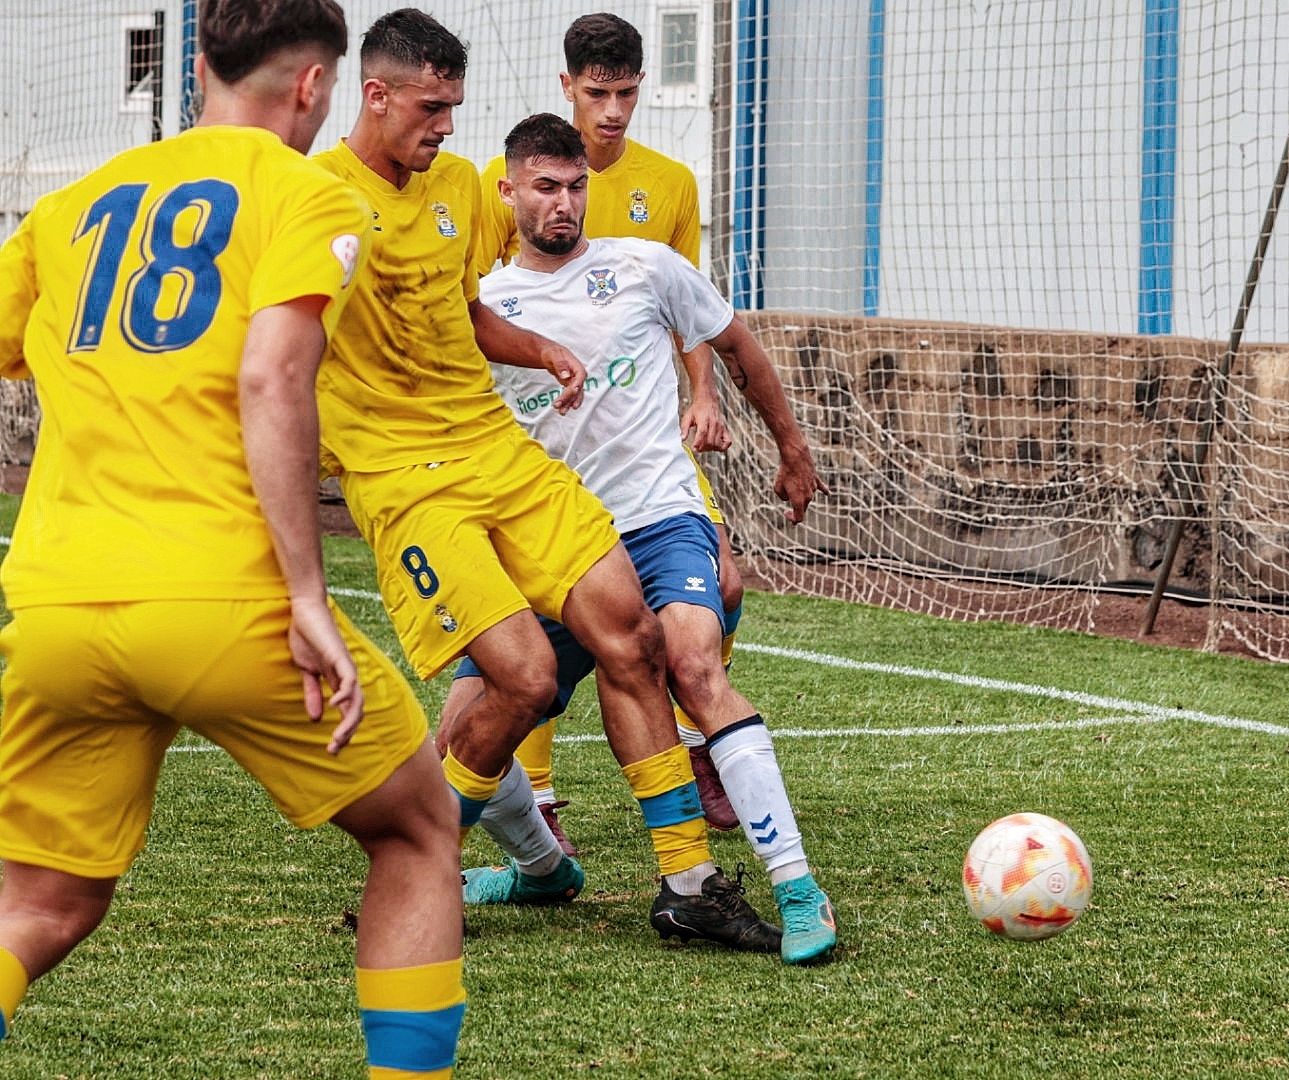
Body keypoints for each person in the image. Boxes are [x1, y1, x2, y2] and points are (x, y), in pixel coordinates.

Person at [0, 2, 466, 1074]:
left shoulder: (74, 204)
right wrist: (307, 595)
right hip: (224, 604)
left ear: (202, 62)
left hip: (64, 610)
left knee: (40, 902)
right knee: (417, 831)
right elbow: (272, 373)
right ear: (313, 87)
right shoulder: (306, 190)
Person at [313, 8, 778, 954]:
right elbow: (275, 352)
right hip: (405, 480)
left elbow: (468, 309)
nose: (446, 127)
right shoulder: (312, 198)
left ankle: (687, 884)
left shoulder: (457, 188)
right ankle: (422, 873)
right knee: (520, 678)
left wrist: (543, 349)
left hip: (497, 451)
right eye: (432, 108)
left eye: (454, 108)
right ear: (376, 95)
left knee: (632, 635)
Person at [463, 113, 838, 966]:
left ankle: (793, 885)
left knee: (693, 665)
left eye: (575, 186)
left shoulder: (643, 265)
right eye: (546, 187)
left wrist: (792, 449)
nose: (564, 203)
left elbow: (737, 348)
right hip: (550, 538)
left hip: (657, 516)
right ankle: (541, 870)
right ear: (510, 191)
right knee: (469, 725)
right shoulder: (483, 302)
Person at [473, 11, 744, 852]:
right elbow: (481, 304)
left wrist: (704, 394)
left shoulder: (670, 183)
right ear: (569, 89)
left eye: (627, 93)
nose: (615, 109)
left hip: (643, 435)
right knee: (541, 626)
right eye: (599, 93)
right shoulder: (505, 179)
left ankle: (701, 746)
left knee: (723, 589)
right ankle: (542, 798)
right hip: (541, 444)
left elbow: (688, 310)